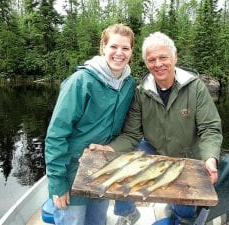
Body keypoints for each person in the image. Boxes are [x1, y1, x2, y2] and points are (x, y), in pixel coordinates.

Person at [89, 31, 223, 225]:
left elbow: (210, 129)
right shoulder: (141, 93)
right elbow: (132, 135)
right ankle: (127, 212)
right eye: (152, 60)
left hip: (187, 155)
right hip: (154, 149)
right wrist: (108, 149)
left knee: (184, 212)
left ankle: (177, 211)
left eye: (163, 57)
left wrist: (210, 158)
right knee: (125, 159)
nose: (158, 64)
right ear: (146, 63)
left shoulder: (195, 88)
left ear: (174, 57)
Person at [44, 23, 135, 225]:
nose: (119, 53)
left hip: (101, 172)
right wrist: (58, 182)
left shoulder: (129, 85)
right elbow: (56, 135)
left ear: (131, 52)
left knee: (97, 221)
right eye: (113, 47)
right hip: (72, 173)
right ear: (103, 48)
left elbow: (129, 129)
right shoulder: (80, 81)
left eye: (125, 48)